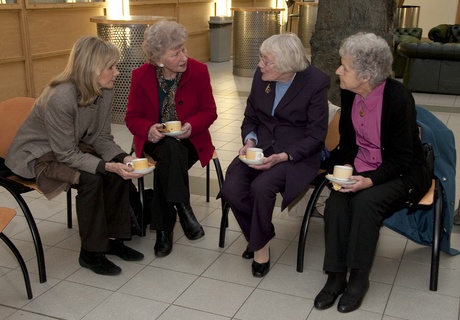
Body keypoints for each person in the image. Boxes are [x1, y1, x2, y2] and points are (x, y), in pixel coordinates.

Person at [5, 36, 145, 276]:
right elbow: (66, 153)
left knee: (117, 173)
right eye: (110, 67)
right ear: (91, 69)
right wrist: (107, 167)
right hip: (38, 155)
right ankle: (91, 253)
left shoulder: (104, 90)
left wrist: (122, 159)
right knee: (92, 179)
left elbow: (101, 138)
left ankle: (113, 240)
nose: (117, 72)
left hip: (66, 147)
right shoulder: (60, 96)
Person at [313, 32, 431, 313]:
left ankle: (359, 279)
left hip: (401, 171)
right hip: (363, 165)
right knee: (337, 203)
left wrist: (369, 181)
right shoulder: (350, 92)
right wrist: (334, 171)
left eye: (345, 67)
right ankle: (336, 276)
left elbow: (403, 158)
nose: (338, 70)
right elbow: (349, 145)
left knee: (366, 203)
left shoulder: (398, 98)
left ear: (366, 76)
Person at [219, 33, 330, 278]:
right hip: (260, 149)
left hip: (296, 153)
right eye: (261, 58)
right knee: (232, 188)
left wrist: (284, 156)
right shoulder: (262, 77)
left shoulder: (316, 82)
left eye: (266, 60)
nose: (260, 65)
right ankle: (262, 234)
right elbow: (251, 116)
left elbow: (315, 136)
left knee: (262, 187)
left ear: (286, 64)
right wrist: (250, 140)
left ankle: (260, 249)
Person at [125, 20, 217, 257]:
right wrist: (149, 128)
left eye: (184, 49)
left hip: (191, 140)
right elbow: (132, 118)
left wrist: (191, 125)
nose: (184, 57)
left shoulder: (198, 71)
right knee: (168, 151)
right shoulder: (140, 76)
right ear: (158, 59)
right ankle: (182, 208)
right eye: (176, 53)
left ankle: (165, 231)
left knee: (170, 158)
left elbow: (209, 111)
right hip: (157, 142)